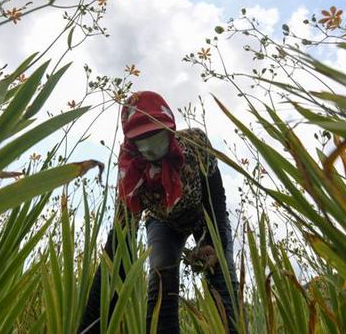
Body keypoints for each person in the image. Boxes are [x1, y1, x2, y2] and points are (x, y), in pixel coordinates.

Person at [78, 90, 241, 334]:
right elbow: (119, 249)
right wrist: (89, 327)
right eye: (143, 143)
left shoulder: (196, 145)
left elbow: (215, 196)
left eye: (158, 139)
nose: (152, 150)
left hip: (204, 215)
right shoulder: (131, 175)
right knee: (161, 284)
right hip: (164, 223)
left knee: (221, 278)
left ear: (170, 129)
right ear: (132, 144)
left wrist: (213, 240)